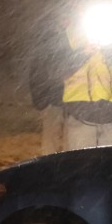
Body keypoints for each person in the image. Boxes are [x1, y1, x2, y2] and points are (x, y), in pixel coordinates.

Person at [61, 9, 112, 150]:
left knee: (110, 167)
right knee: (82, 166)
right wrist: (84, 53)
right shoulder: (70, 33)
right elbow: (57, 70)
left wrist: (111, 50)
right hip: (80, 112)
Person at [26, 9, 70, 156]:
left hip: (73, 99)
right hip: (56, 98)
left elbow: (37, 70)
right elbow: (38, 70)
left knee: (68, 140)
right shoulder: (49, 40)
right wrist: (41, 99)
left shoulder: (76, 40)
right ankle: (50, 171)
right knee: (52, 139)